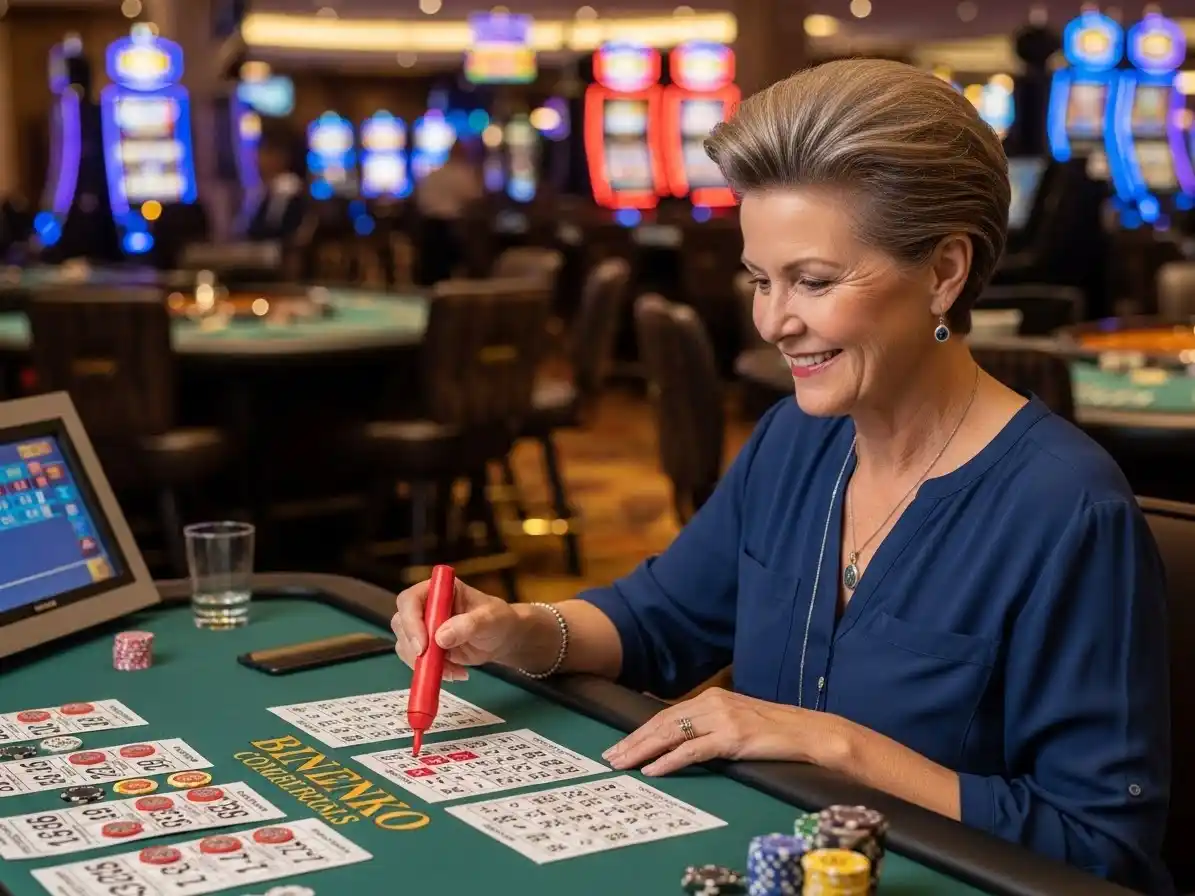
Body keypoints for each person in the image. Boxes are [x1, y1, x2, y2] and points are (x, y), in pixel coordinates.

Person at [390, 59, 1172, 893]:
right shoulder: (794, 440)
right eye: (761, 280)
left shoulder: (1065, 507)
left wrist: (828, 744)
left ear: (944, 272)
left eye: (813, 281)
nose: (773, 321)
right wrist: (519, 629)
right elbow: (657, 621)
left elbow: (1099, 849)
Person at [412, 140, 482, 284]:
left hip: (428, 226)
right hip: (450, 226)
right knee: (450, 271)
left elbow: (419, 200)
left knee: (431, 273)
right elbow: (474, 199)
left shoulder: (433, 174)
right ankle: (450, 301)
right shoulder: (462, 174)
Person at [243, 134, 306, 243]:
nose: (259, 159)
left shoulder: (290, 193)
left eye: (266, 153)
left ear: (282, 157)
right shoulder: (263, 193)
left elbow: (274, 234)